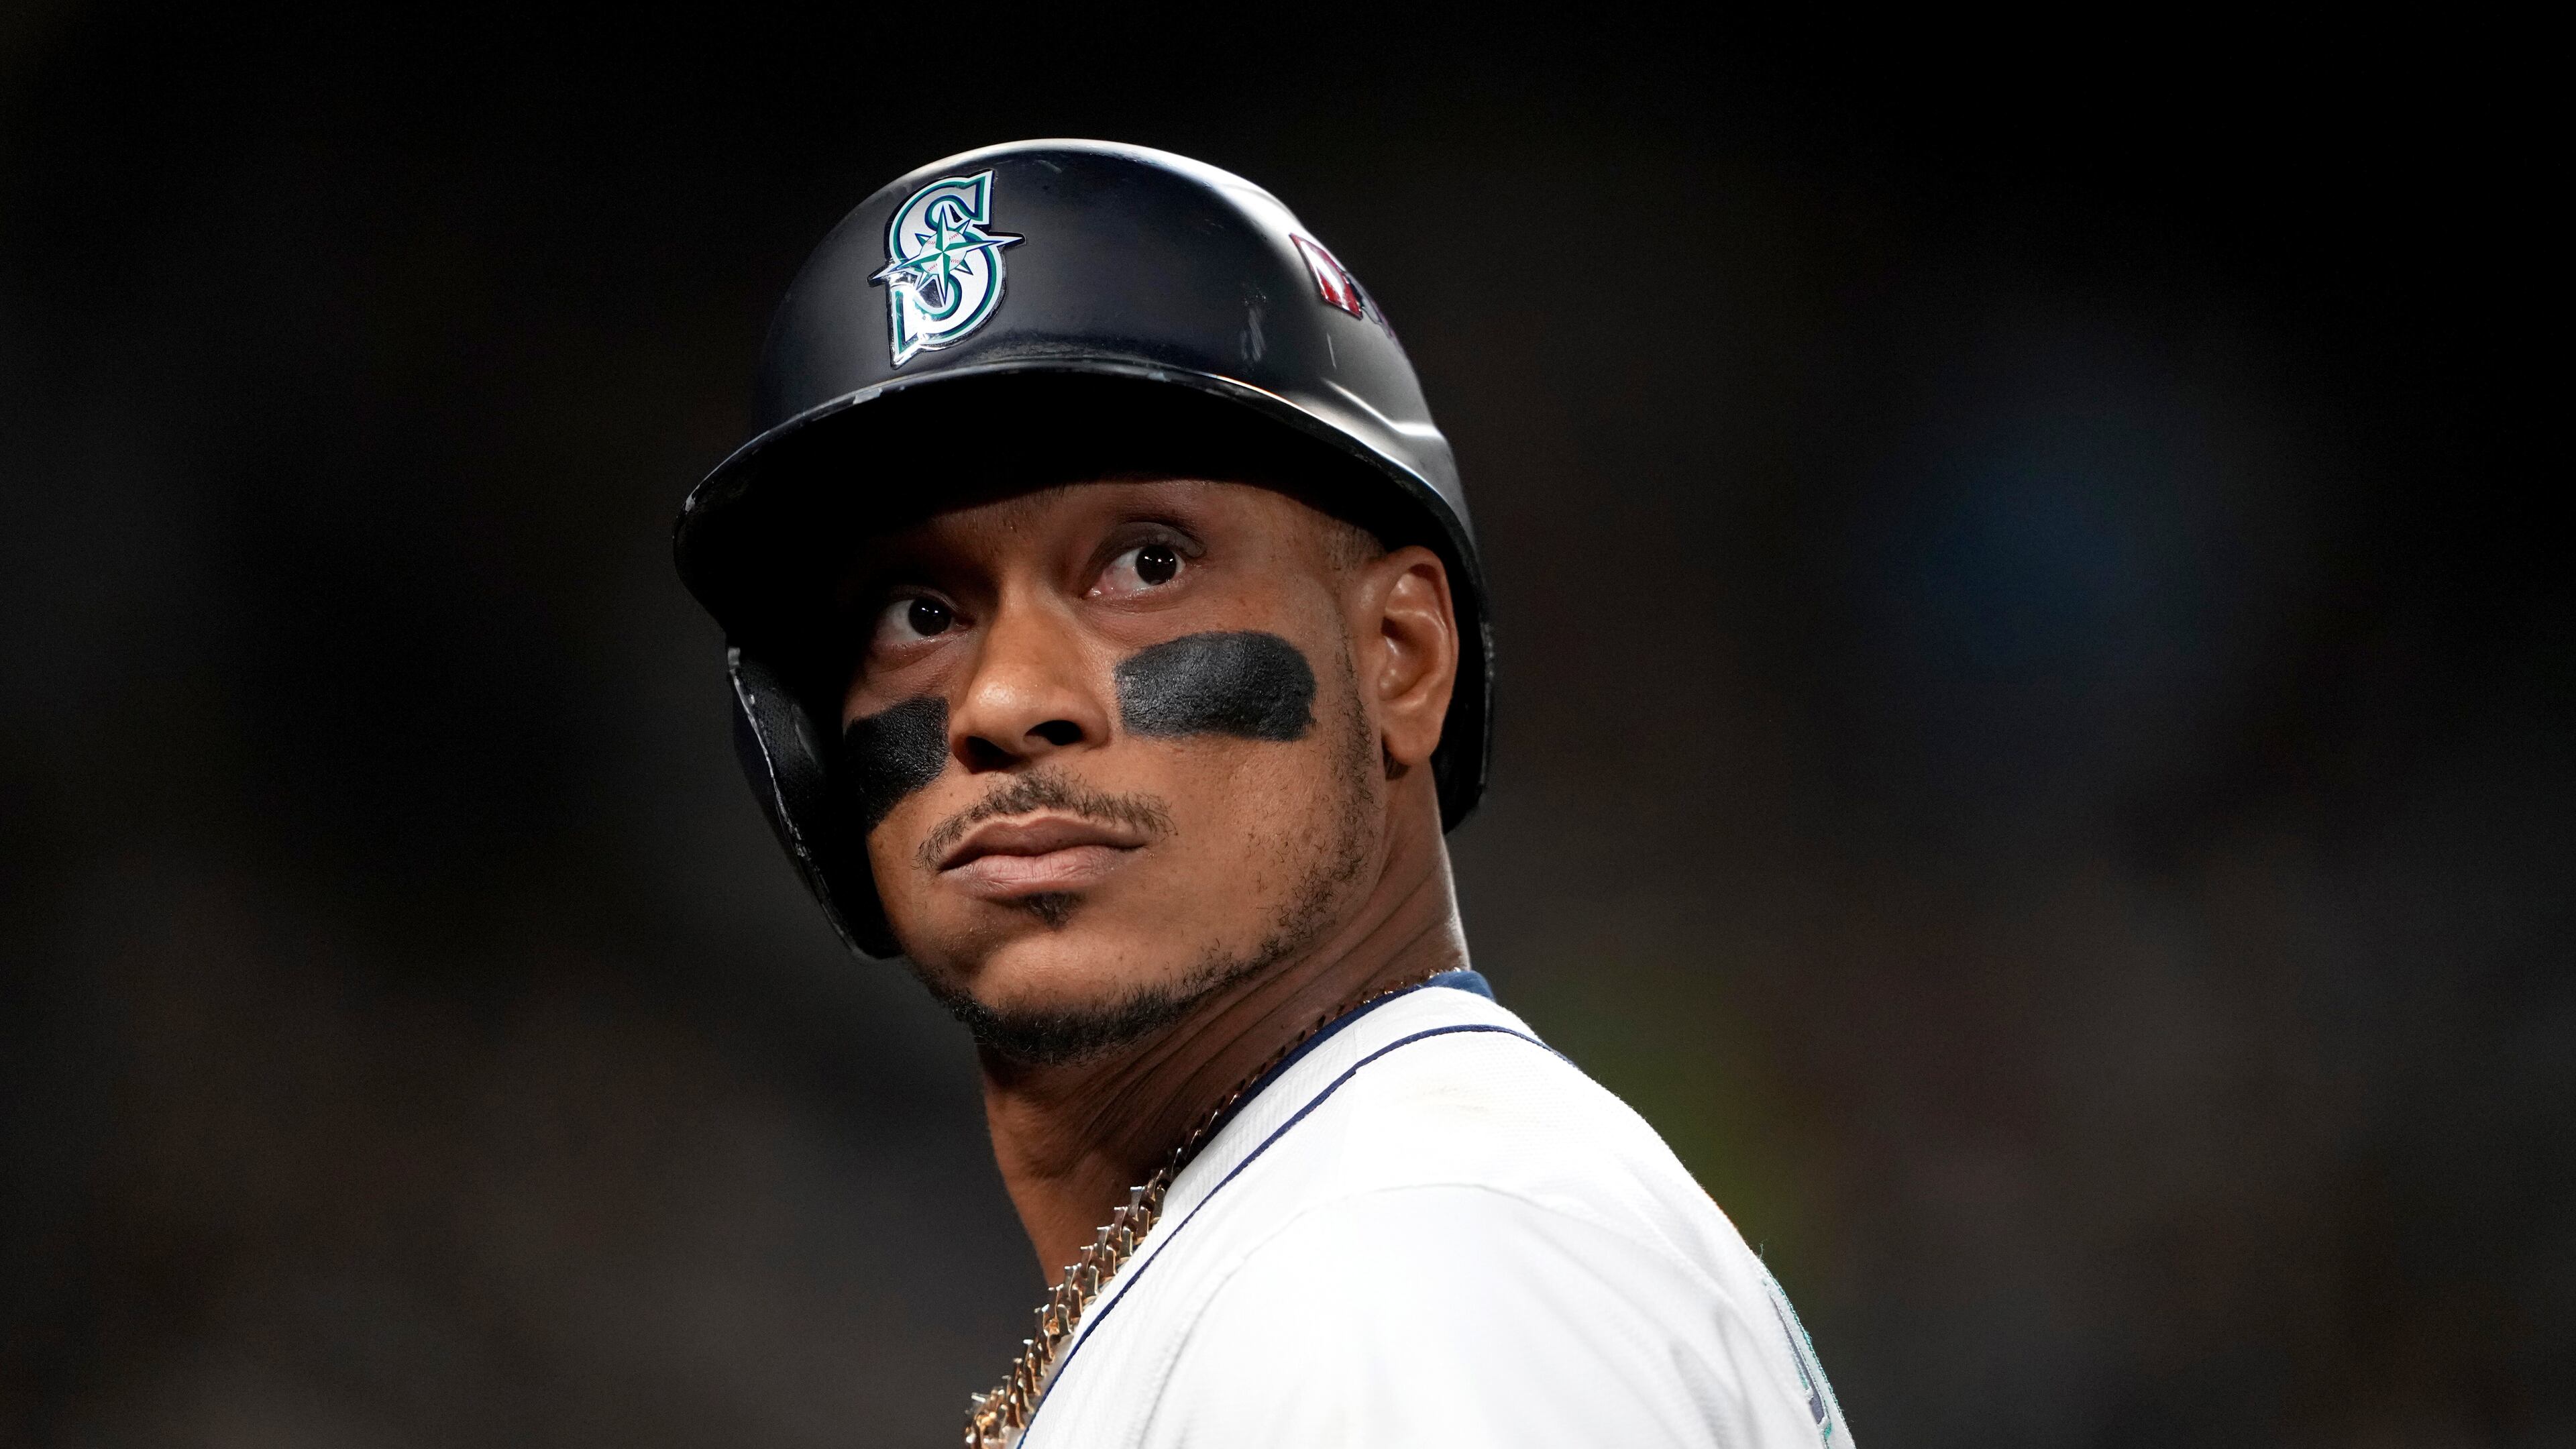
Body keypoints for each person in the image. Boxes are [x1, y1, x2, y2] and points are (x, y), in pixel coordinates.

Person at [674, 140, 1854, 1448]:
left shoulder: (1405, 1267)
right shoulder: (1305, 1237)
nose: (1004, 702)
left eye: (1145, 561)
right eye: (920, 609)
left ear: (1401, 659)